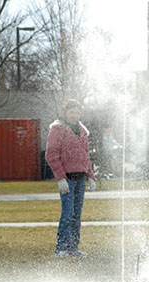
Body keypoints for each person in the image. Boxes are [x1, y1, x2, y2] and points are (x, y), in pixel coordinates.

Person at [45, 99, 96, 257]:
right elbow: (51, 154)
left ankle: (73, 247)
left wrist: (91, 176)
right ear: (65, 112)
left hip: (81, 178)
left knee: (77, 214)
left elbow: (85, 155)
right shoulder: (57, 129)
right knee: (67, 213)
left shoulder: (82, 131)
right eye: (71, 112)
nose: (74, 115)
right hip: (67, 178)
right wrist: (60, 178)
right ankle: (61, 247)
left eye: (77, 112)